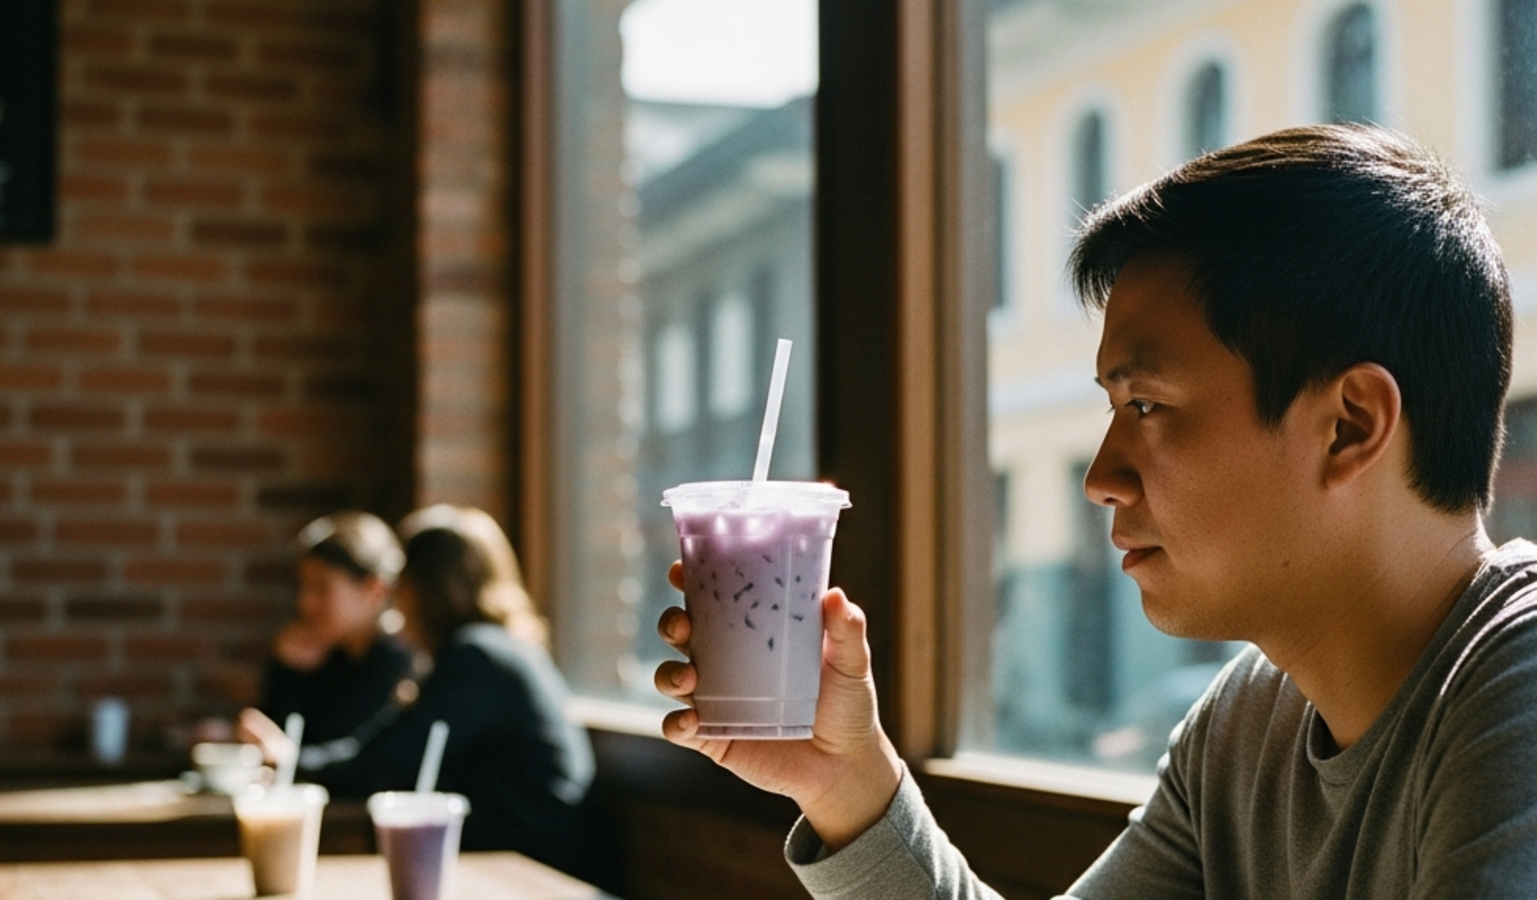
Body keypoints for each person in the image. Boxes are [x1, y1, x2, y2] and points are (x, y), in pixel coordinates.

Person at [654, 123, 1537, 898]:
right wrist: (849, 786)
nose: (1101, 477)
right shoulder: (1246, 725)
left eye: (1145, 406)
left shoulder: (1517, 687)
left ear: (1349, 426)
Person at [240, 505, 607, 885]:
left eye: (402, 588)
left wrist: (292, 762)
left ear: (424, 589)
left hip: (539, 872)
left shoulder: (478, 656)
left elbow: (392, 759)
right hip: (525, 857)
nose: (395, 605)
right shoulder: (489, 651)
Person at [257, 511, 411, 747]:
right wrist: (286, 671)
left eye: (321, 587)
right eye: (304, 586)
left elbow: (352, 759)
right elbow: (284, 737)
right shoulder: (329, 657)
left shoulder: (401, 668)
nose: (304, 603)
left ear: (374, 590)